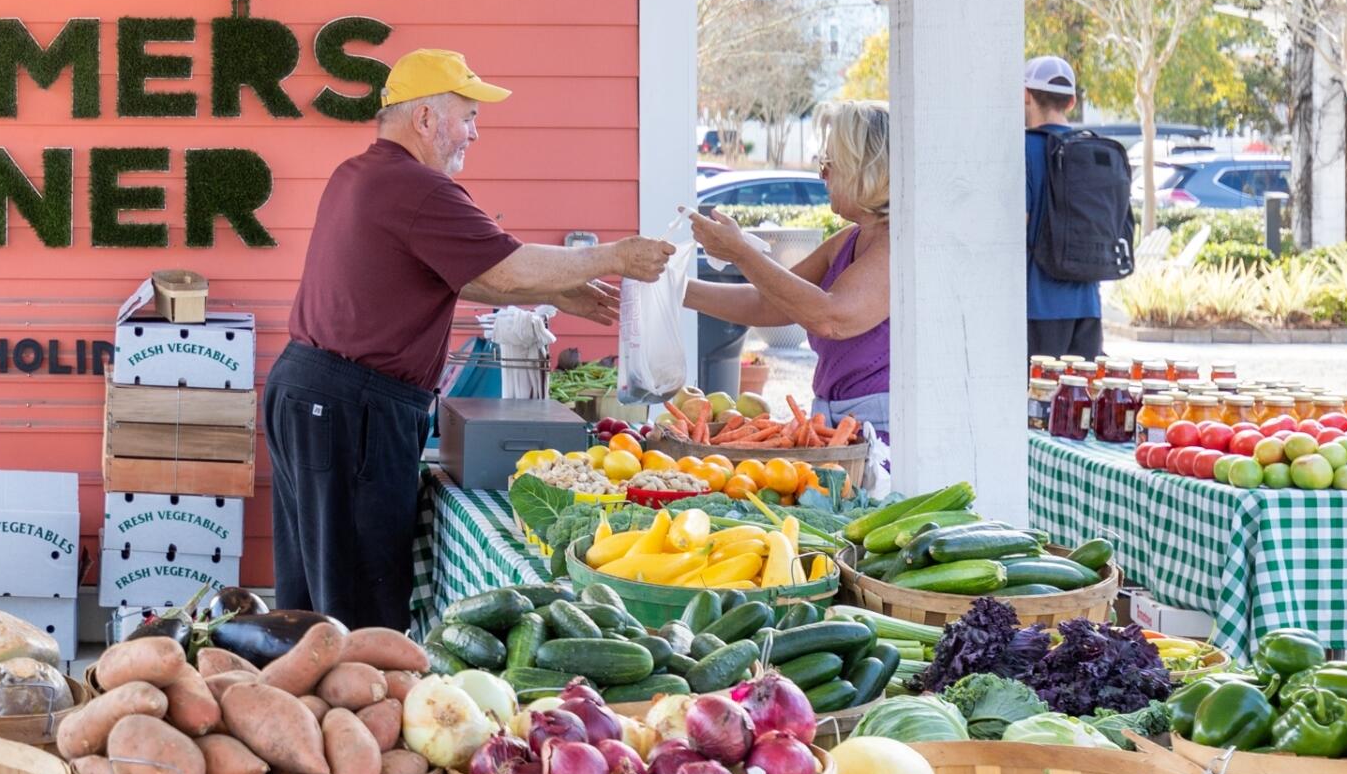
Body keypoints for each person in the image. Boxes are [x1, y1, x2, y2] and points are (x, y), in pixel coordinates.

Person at [265, 49, 677, 631]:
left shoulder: (362, 173)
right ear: (426, 118)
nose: (475, 133)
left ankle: (307, 709)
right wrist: (615, 256)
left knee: (314, 591)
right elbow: (505, 267)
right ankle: (357, 710)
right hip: (351, 407)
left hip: (311, 392)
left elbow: (461, 272)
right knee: (357, 604)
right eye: (468, 116)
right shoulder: (418, 188)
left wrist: (557, 292)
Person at [684, 101, 892, 485]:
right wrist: (675, 288)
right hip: (833, 431)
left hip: (880, 439)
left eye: (832, 160)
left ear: (870, 168)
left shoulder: (896, 243)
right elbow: (769, 302)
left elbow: (832, 318)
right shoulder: (850, 238)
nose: (823, 171)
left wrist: (741, 252)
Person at [1024, 55, 1103, 359]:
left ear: (1026, 95)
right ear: (1071, 102)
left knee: (1038, 403)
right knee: (1080, 404)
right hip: (1088, 305)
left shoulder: (1025, 149)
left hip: (1038, 307)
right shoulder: (1094, 148)